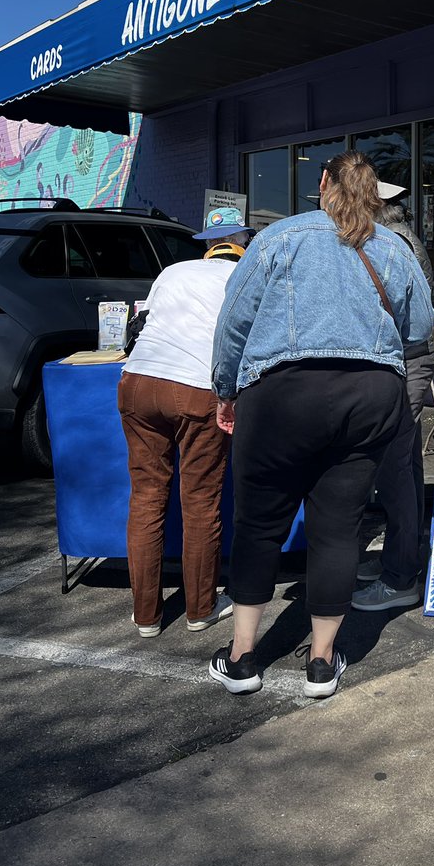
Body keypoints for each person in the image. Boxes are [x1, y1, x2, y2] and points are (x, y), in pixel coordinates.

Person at [207, 151, 434, 699]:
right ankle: (320, 662)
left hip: (283, 393)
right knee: (339, 528)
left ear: (324, 183)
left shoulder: (280, 238)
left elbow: (234, 322)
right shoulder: (393, 247)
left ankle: (241, 659)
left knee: (260, 524)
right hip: (368, 397)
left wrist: (225, 388)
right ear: (374, 193)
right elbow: (421, 324)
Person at [118, 206, 254, 637]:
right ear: (243, 243)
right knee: (199, 501)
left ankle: (146, 617)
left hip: (137, 383)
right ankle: (200, 608)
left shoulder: (172, 272)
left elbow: (141, 326)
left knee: (146, 498)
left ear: (207, 245)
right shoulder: (244, 279)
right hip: (196, 388)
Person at [351, 181, 434, 612]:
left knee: (395, 467)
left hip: (404, 358)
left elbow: (417, 314)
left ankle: (401, 575)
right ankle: (399, 560)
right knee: (405, 465)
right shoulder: (395, 236)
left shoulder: (391, 240)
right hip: (403, 358)